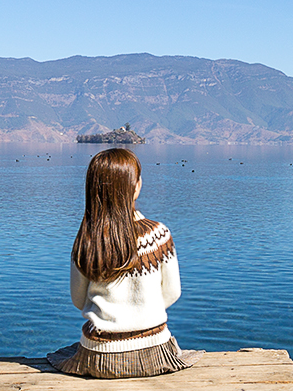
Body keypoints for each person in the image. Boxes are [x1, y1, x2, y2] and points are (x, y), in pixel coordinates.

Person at [48, 147, 201, 377]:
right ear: (135, 186)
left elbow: (79, 300)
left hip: (99, 355)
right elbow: (172, 293)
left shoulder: (87, 239)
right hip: (153, 352)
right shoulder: (158, 235)